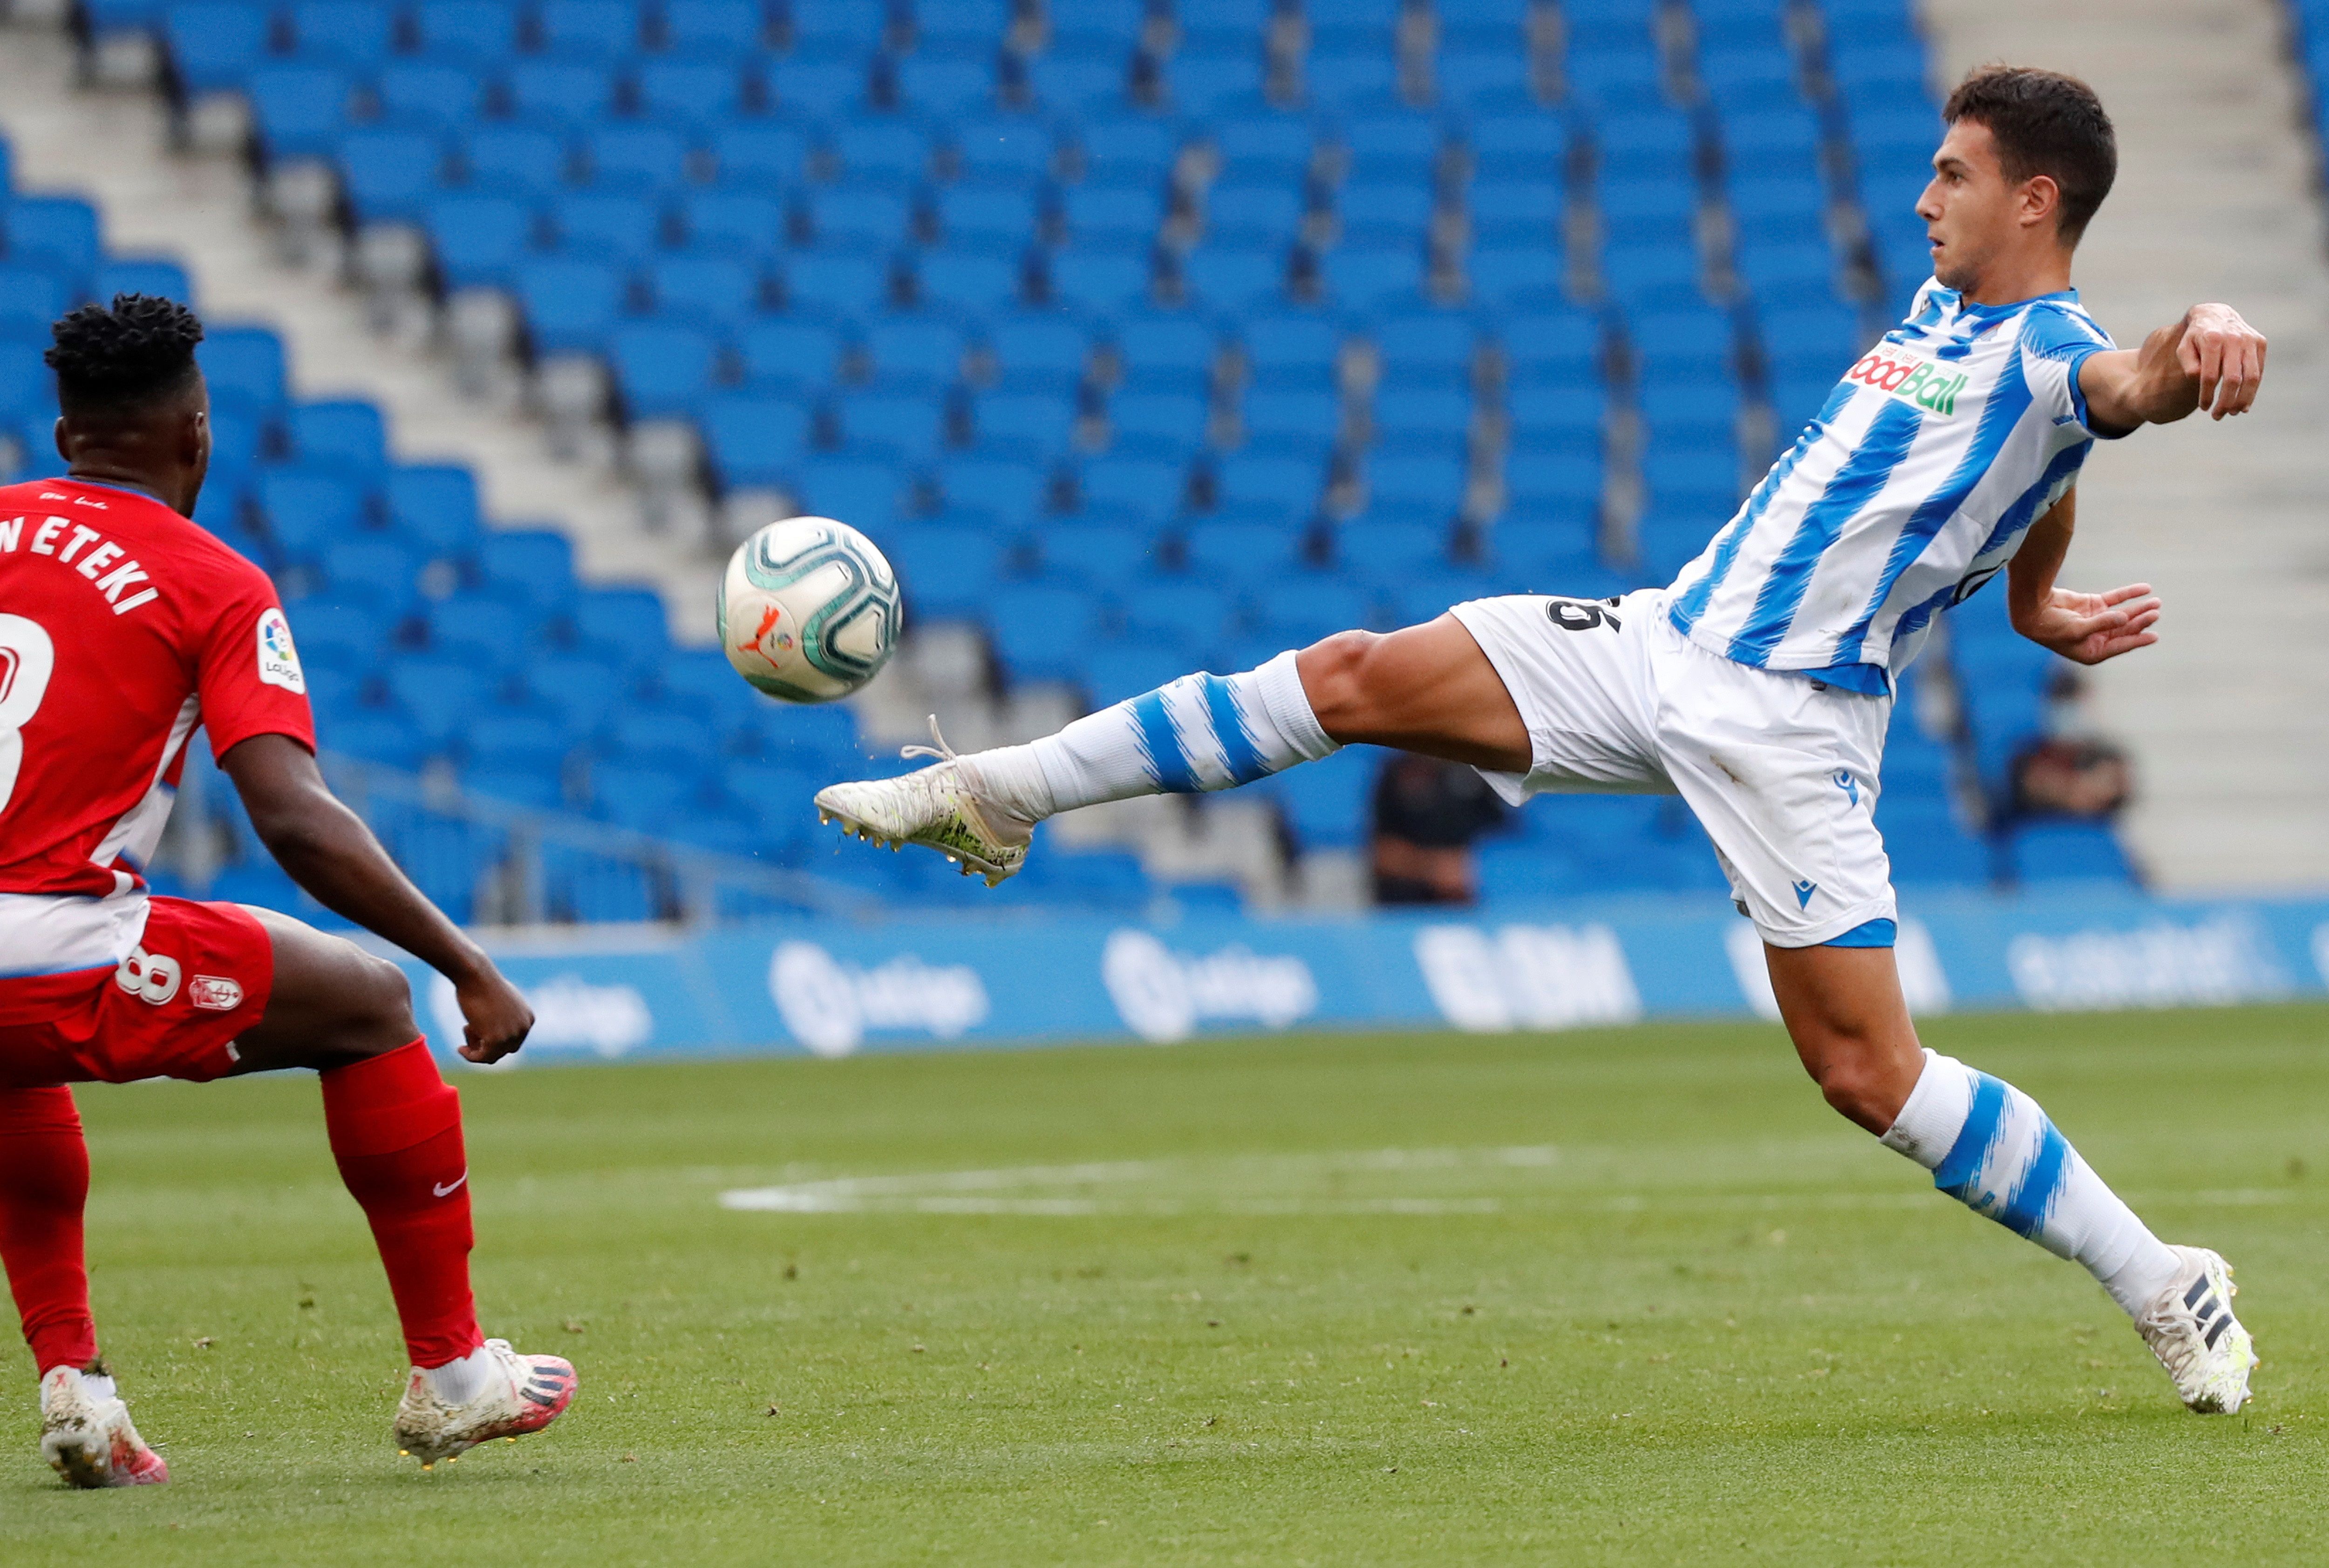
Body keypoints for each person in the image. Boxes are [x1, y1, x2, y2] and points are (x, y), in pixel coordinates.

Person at [811, 68, 2271, 1413]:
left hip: (1789, 725)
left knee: (1865, 1076)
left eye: (1950, 175)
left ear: (2033, 201)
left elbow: (2112, 398)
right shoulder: (1946, 319)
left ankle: (2158, 1275)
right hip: (1655, 646)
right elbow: (2043, 473)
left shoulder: (2054, 354)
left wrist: (2193, 332)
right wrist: (2029, 600)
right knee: (1350, 675)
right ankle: (994, 792)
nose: (1919, 199)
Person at [0, 295, 575, 1487]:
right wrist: (465, 965)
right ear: (198, 434)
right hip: (51, 949)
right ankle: (456, 1374)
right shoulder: (213, 580)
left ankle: (77, 1388)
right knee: (366, 1004)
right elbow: (294, 819)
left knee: (11, 1067)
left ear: (64, 439)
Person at [1369, 753, 1509, 905]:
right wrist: (1435, 869)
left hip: (1466, 907)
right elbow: (1381, 855)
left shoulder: (1479, 774)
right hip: (1406, 908)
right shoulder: (1396, 775)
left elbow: (1508, 837)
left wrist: (1475, 867)